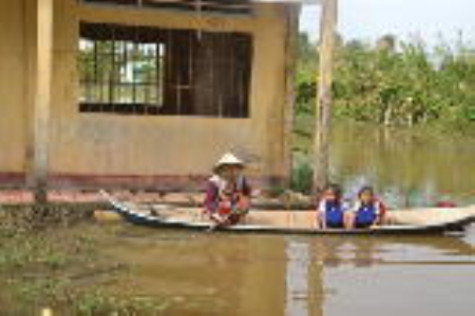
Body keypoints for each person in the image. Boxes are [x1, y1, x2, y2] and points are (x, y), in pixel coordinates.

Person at [204, 152, 251, 227]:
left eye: (234, 168)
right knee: (217, 215)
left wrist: (242, 205)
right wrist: (216, 213)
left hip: (235, 209)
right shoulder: (214, 182)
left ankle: (234, 219)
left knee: (241, 207)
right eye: (227, 168)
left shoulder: (241, 180)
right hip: (218, 208)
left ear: (238, 169)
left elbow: (246, 195)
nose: (231, 171)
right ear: (221, 170)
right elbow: (209, 202)